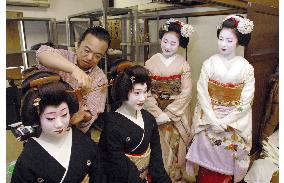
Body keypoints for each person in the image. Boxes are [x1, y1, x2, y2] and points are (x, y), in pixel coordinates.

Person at [186, 15, 255, 183]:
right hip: (210, 117)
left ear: (238, 41)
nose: (223, 44)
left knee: (233, 150)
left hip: (234, 121)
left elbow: (246, 100)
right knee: (204, 147)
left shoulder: (246, 67)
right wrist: (212, 118)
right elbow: (202, 93)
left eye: (229, 40)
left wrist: (225, 121)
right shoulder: (209, 63)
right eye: (221, 39)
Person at [11, 71, 102, 183]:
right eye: (50, 118)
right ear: (36, 118)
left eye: (64, 115)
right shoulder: (28, 159)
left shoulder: (85, 143)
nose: (59, 124)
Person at [98, 65, 171, 183]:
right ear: (123, 91)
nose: (142, 98)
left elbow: (156, 158)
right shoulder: (112, 124)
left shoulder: (149, 119)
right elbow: (118, 166)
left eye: (145, 92)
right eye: (137, 93)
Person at [144, 18, 194, 182]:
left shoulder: (183, 64)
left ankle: (175, 176)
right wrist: (157, 113)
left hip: (176, 113)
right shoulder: (150, 62)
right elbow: (146, 89)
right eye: (165, 41)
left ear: (179, 44)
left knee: (176, 145)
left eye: (173, 43)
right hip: (155, 109)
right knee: (157, 145)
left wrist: (170, 113)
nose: (167, 46)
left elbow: (186, 92)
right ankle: (158, 176)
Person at [36, 26, 111, 134]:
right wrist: (73, 69)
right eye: (87, 50)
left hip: (74, 130)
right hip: (45, 124)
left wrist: (85, 115)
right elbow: (42, 53)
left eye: (97, 56)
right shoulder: (63, 56)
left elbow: (92, 112)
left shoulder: (100, 78)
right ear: (77, 44)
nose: (90, 58)